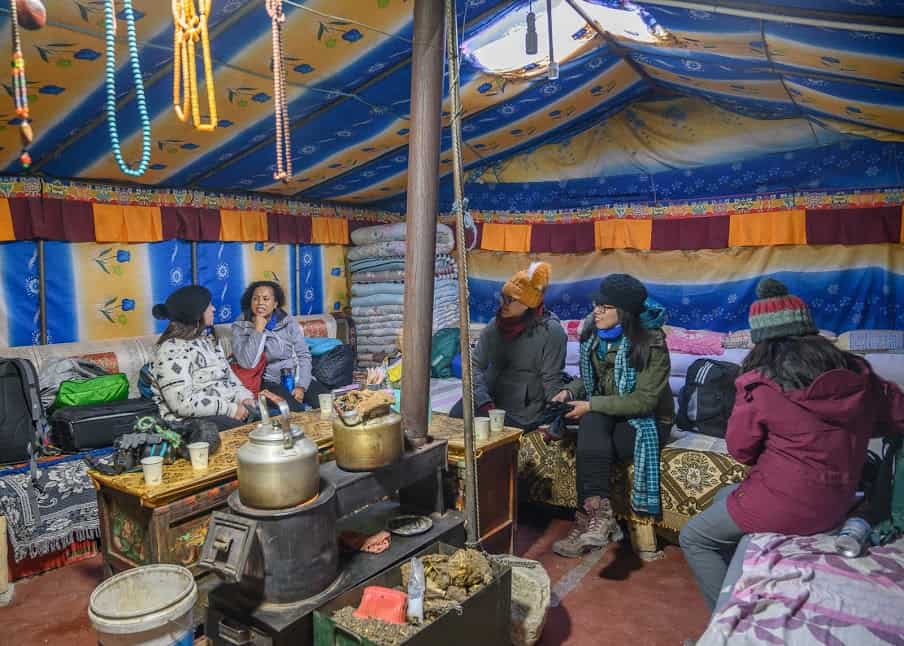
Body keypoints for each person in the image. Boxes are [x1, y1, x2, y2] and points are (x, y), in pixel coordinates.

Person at [679, 278, 904, 610]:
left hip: (781, 504)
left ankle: (727, 621)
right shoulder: (862, 377)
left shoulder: (760, 385)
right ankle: (745, 586)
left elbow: (740, 451)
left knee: (695, 538)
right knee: (721, 496)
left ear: (761, 340)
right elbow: (896, 418)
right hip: (837, 502)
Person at [550, 273, 673, 558]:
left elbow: (644, 401)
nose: (597, 311)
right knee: (591, 428)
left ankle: (590, 520)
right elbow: (591, 378)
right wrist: (569, 392)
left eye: (605, 307)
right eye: (597, 304)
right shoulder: (596, 337)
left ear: (625, 312)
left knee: (590, 434)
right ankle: (597, 519)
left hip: (647, 421)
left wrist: (591, 405)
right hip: (611, 416)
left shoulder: (651, 343)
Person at [449, 262, 566, 429]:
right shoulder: (494, 325)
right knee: (455, 417)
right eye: (502, 297)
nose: (503, 303)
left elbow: (551, 378)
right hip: (489, 400)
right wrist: (483, 400)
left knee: (502, 438)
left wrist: (553, 413)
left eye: (510, 300)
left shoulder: (551, 332)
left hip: (522, 411)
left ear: (528, 304)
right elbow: (474, 365)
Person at [151, 285, 256, 431]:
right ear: (196, 313)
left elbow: (230, 379)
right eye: (209, 306)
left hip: (227, 411)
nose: (213, 309)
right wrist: (230, 409)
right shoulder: (171, 350)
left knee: (270, 419)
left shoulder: (209, 340)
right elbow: (183, 404)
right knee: (243, 432)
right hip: (191, 423)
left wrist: (244, 398)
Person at [231, 280, 330, 411]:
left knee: (327, 403)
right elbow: (248, 363)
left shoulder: (287, 321)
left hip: (295, 376)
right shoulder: (241, 326)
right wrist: (258, 330)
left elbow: (303, 354)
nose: (260, 303)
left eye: (265, 299)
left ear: (275, 303)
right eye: (255, 299)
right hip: (268, 382)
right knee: (296, 411)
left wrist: (301, 386)